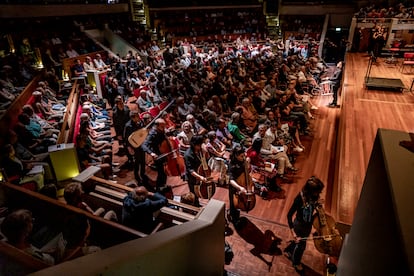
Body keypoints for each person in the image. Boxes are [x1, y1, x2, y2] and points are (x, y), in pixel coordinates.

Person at [284, 176, 325, 273]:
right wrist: (293, 233)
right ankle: (296, 262)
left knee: (299, 243)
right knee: (301, 246)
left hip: (308, 224)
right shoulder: (299, 199)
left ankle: (289, 250)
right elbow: (289, 215)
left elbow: (311, 207)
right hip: (299, 226)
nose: (319, 194)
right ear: (310, 191)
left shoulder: (314, 196)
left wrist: (317, 204)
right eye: (317, 192)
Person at [227, 144, 255, 224]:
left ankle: (237, 217)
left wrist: (248, 165)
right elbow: (231, 180)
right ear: (236, 155)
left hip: (244, 185)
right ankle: (234, 219)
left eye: (244, 155)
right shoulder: (231, 165)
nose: (243, 158)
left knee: (239, 206)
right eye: (241, 156)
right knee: (234, 205)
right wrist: (240, 188)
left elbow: (247, 172)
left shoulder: (243, 161)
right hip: (235, 187)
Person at [141, 118, 169, 191]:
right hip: (157, 155)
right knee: (161, 172)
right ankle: (159, 187)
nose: (164, 128)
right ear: (157, 126)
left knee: (164, 172)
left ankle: (163, 185)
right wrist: (151, 153)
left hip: (163, 153)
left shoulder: (161, 130)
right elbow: (144, 145)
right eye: (162, 126)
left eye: (164, 126)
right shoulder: (152, 134)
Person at [123, 110, 148, 187]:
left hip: (141, 145)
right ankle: (137, 176)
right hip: (134, 146)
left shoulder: (140, 122)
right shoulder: (128, 126)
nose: (139, 116)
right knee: (137, 161)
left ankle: (142, 174)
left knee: (143, 160)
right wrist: (129, 148)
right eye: (137, 116)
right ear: (133, 117)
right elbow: (126, 138)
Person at [184, 135, 210, 206]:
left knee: (199, 191)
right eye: (200, 144)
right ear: (194, 144)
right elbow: (190, 170)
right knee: (194, 193)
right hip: (192, 177)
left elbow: (204, 161)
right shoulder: (188, 155)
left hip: (200, 173)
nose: (201, 146)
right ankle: (194, 207)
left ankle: (197, 204)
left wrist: (205, 153)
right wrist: (200, 177)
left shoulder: (200, 150)